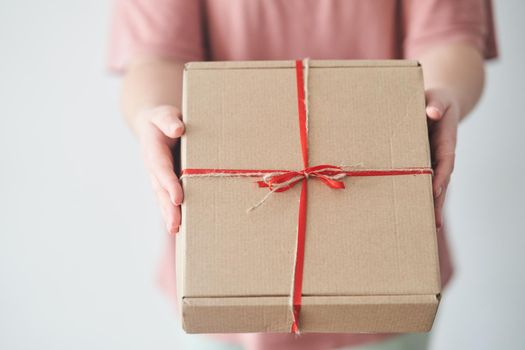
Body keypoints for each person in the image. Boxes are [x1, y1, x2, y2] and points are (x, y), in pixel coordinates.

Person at [108, 1, 497, 349]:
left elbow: (450, 36)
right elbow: (155, 54)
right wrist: (153, 112)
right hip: (221, 265)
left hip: (386, 262)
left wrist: (443, 95)